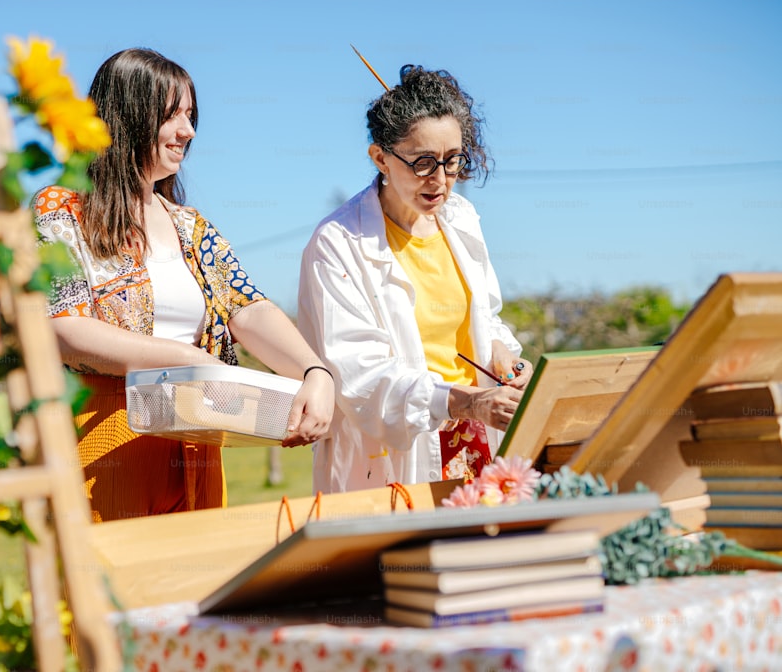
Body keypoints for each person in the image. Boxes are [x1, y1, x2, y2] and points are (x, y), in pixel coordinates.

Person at [34, 48, 334, 522]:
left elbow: (248, 308)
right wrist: (188, 359)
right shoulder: (62, 209)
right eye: (173, 115)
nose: (189, 132)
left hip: (197, 434)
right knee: (114, 588)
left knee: (196, 584)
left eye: (191, 116)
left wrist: (314, 372)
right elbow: (65, 330)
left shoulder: (192, 227)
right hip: (102, 440)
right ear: (126, 114)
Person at [297, 64, 532, 495]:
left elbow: (485, 317)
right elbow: (360, 376)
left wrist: (504, 357)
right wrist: (465, 402)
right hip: (393, 454)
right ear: (380, 157)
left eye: (452, 161)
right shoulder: (338, 242)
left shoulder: (461, 219)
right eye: (423, 162)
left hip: (473, 438)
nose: (440, 180)